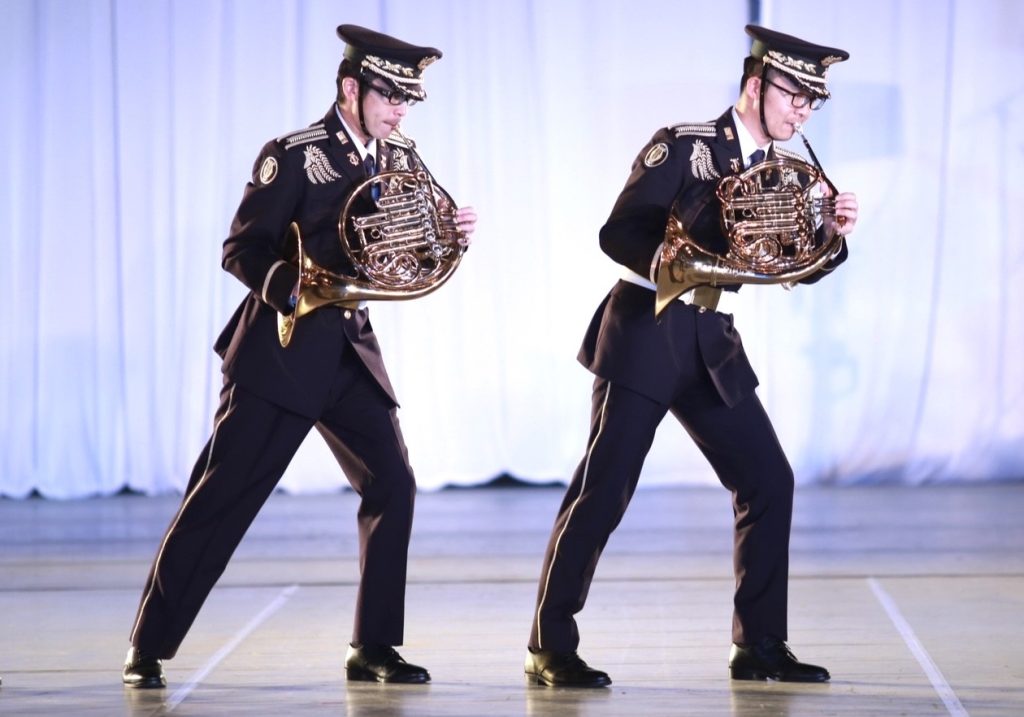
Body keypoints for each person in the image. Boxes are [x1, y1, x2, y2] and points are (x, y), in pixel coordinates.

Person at [122, 24, 477, 689]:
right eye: (389, 97)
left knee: (393, 482)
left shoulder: (400, 155)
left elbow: (411, 247)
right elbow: (241, 250)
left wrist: (448, 234)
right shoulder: (293, 155)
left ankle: (373, 645)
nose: (399, 111)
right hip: (281, 351)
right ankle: (148, 645)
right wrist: (294, 286)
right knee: (223, 495)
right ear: (351, 88)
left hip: (349, 351)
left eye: (407, 101)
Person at [524, 25, 859, 687]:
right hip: (647, 329)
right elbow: (617, 230)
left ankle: (759, 644)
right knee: (604, 490)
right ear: (756, 85)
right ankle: (549, 645)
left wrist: (830, 232)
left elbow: (790, 265)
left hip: (711, 338)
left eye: (813, 102)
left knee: (769, 480)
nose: (803, 111)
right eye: (795, 94)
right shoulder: (686, 145)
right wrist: (669, 261)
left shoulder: (778, 174)